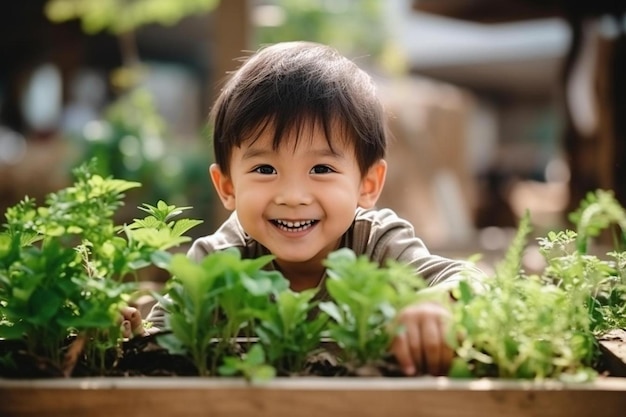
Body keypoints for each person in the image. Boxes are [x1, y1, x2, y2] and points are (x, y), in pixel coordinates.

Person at [124, 41, 483, 376]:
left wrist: (434, 301)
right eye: (265, 170)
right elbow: (162, 342)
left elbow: (472, 282)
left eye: (321, 169)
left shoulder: (377, 243)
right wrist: (132, 335)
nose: (293, 196)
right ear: (228, 187)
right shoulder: (218, 261)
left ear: (368, 184)